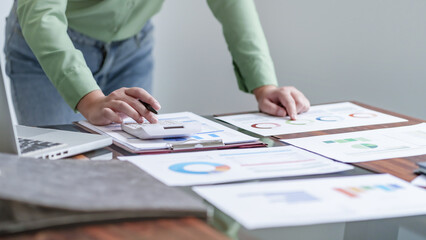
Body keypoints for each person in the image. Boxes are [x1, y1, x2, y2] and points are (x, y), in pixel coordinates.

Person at [5, 0, 310, 127]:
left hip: (133, 48)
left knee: (131, 172)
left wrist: (263, 83)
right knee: (56, 175)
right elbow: (42, 16)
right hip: (47, 48)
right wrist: (88, 97)